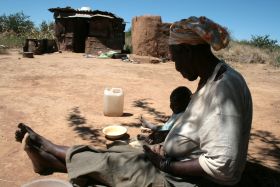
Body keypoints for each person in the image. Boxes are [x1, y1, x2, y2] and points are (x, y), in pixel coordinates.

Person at [15, 16, 252, 187]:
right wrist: (164, 139)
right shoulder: (211, 79)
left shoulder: (224, 90)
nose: (176, 67)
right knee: (120, 152)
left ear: (188, 51)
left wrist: (165, 165)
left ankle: (50, 154)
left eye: (175, 58)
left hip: (189, 181)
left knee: (119, 164)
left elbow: (223, 167)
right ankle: (50, 152)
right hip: (176, 162)